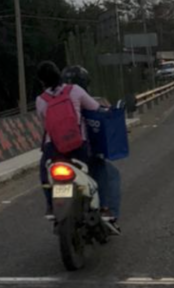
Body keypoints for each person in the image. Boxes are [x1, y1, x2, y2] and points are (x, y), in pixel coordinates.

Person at [35, 61, 121, 234]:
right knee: (99, 167)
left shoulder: (40, 100)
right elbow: (96, 109)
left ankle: (51, 206)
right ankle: (105, 209)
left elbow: (46, 126)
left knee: (45, 173)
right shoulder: (75, 90)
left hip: (53, 149)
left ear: (41, 81)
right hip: (78, 146)